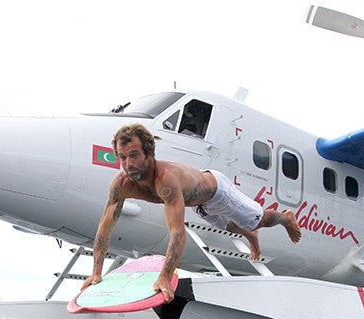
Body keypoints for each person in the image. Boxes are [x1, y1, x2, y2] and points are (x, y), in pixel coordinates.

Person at [81, 123, 301, 302]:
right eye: (122, 157)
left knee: (257, 220)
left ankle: (285, 218)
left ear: (149, 153)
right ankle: (249, 235)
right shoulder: (121, 184)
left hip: (218, 191)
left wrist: (165, 277)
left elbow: (177, 233)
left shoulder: (165, 180)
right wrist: (96, 272)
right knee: (227, 226)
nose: (128, 164)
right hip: (197, 203)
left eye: (134, 155)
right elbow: (105, 227)